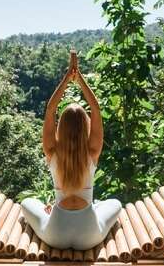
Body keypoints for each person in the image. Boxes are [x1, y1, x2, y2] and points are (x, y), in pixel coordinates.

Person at [21, 51, 122, 250]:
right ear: (86, 126)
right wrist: (79, 77)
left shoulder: (52, 151)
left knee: (27, 203)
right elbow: (96, 108)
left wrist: (67, 77)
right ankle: (94, 206)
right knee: (116, 203)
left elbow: (50, 109)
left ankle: (51, 210)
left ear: (61, 127)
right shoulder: (93, 151)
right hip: (89, 235)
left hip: (55, 233)